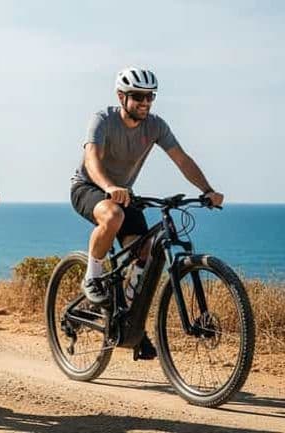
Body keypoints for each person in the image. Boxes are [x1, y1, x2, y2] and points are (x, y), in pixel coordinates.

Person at [70, 66, 224, 360]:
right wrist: (109, 185)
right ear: (121, 96)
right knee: (113, 216)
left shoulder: (155, 126)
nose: (145, 102)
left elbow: (182, 159)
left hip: (123, 195)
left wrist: (207, 189)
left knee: (145, 252)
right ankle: (91, 276)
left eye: (150, 96)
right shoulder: (103, 119)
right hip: (89, 187)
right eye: (138, 96)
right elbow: (92, 159)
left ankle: (131, 325)